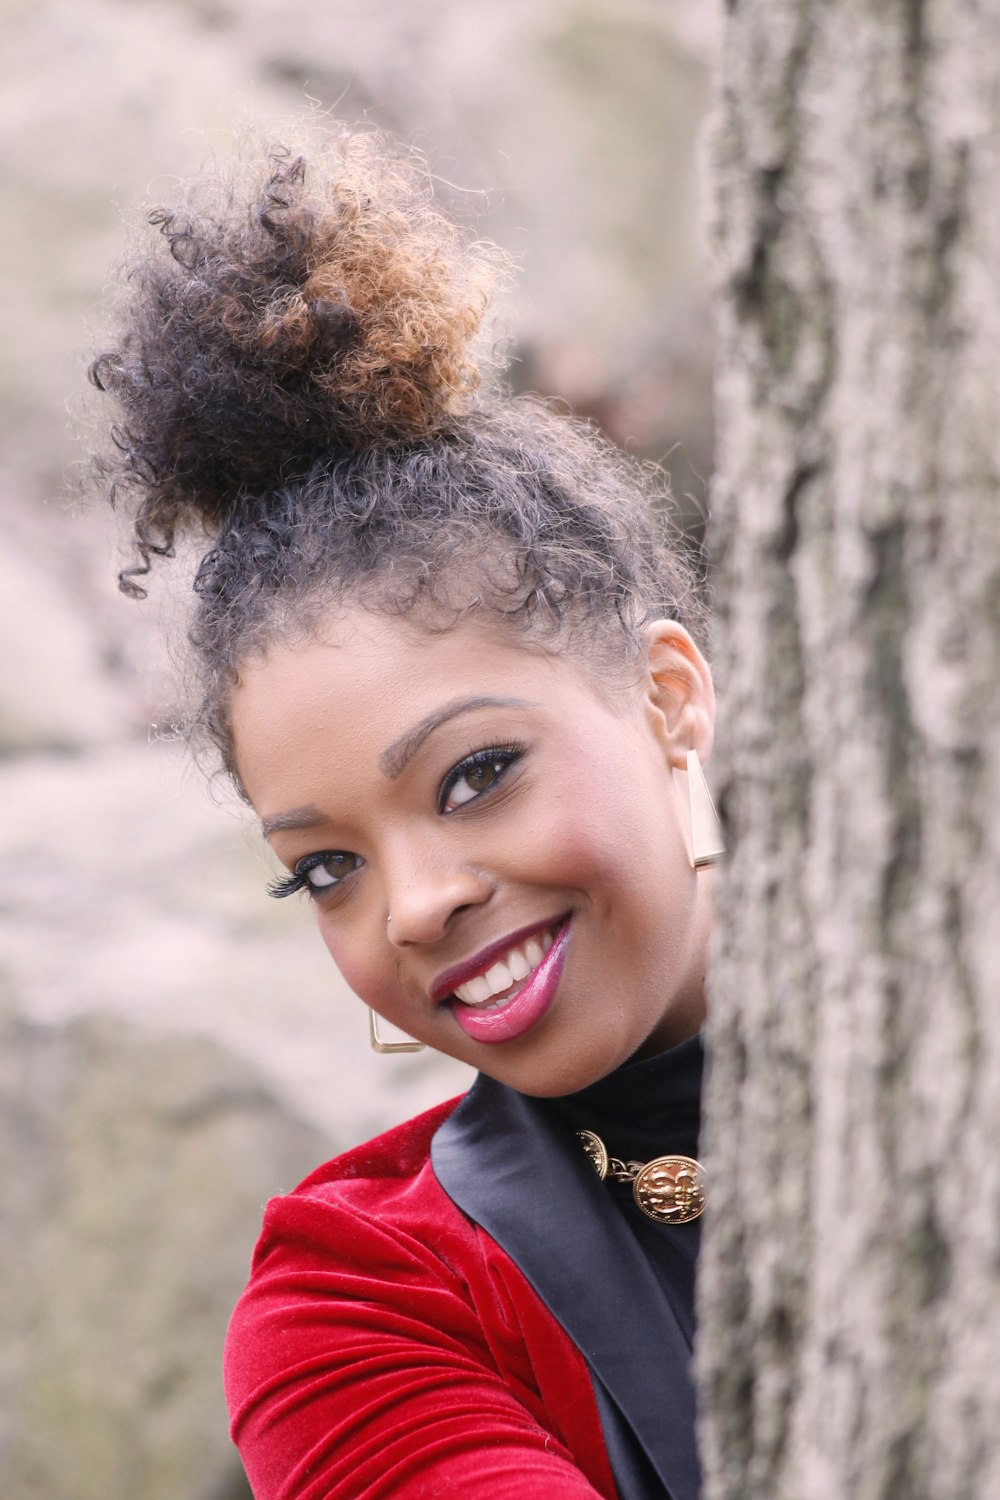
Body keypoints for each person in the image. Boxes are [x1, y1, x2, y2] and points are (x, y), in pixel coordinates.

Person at [89, 129, 722, 1500]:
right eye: (324, 868)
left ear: (670, 700)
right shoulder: (356, 1308)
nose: (416, 904)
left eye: (476, 776)